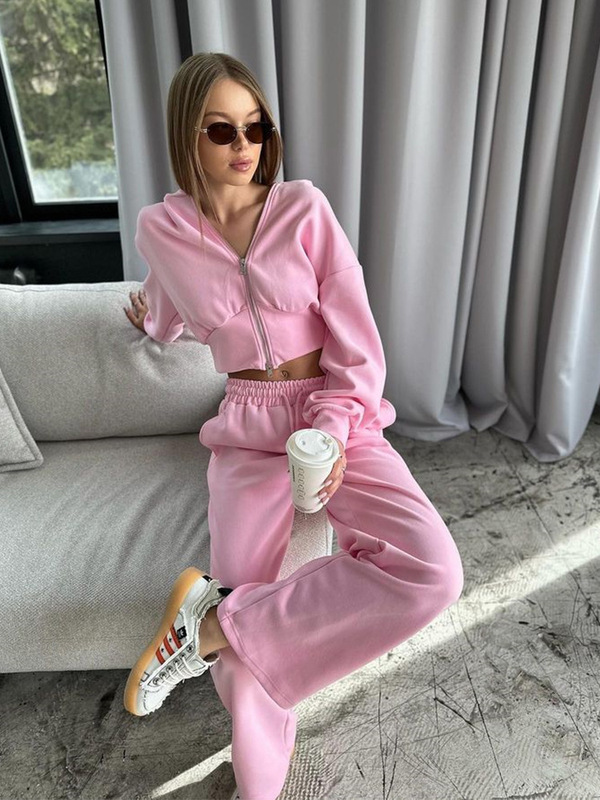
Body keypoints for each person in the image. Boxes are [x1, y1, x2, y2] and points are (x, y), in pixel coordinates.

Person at [122, 51, 464, 800]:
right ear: (188, 136)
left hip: (332, 411)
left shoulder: (303, 208)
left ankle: (210, 624)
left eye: (257, 128)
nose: (244, 146)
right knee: (247, 659)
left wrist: (335, 430)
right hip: (246, 432)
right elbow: (171, 313)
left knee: (434, 570)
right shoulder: (161, 229)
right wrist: (148, 317)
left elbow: (357, 344)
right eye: (222, 130)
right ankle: (259, 786)